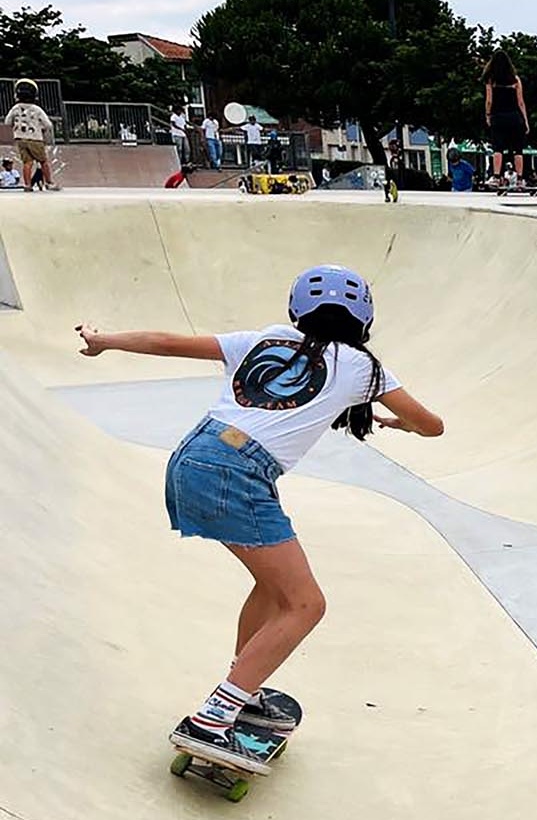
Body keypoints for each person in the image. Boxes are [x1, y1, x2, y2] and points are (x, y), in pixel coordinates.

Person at [73, 266, 444, 774]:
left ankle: (241, 686)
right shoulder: (364, 367)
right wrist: (401, 420)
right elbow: (433, 426)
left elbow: (166, 342)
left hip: (194, 454)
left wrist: (103, 341)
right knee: (307, 604)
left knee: (273, 591)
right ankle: (213, 718)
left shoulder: (267, 338)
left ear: (297, 311)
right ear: (364, 319)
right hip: (237, 473)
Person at [483, 50, 529, 181]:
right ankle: (520, 179)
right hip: (515, 117)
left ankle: (497, 176)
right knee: (518, 150)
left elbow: (489, 101)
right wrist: (525, 120)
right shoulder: (515, 79)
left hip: (498, 117)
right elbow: (521, 102)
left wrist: (488, 115)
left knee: (498, 148)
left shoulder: (491, 80)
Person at [6, 79, 57, 191]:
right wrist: (41, 128)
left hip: (20, 138)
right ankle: (49, 183)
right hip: (35, 138)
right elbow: (48, 124)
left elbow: (7, 122)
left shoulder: (15, 108)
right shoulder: (37, 109)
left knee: (27, 162)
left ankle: (27, 185)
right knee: (43, 161)